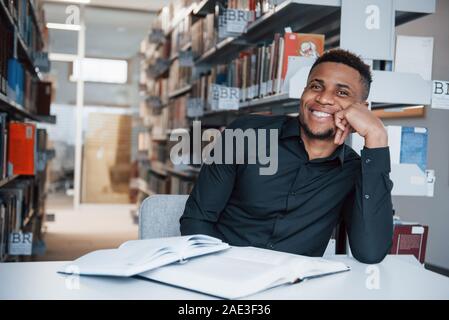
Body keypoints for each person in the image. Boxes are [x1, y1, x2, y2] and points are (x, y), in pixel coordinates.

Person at [180, 49, 393, 264]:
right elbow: (197, 220)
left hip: (294, 287)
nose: (323, 98)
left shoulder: (355, 170)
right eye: (316, 86)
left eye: (342, 93)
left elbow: (370, 252)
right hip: (222, 274)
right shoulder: (246, 134)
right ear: (304, 93)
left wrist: (377, 137)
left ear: (362, 110)